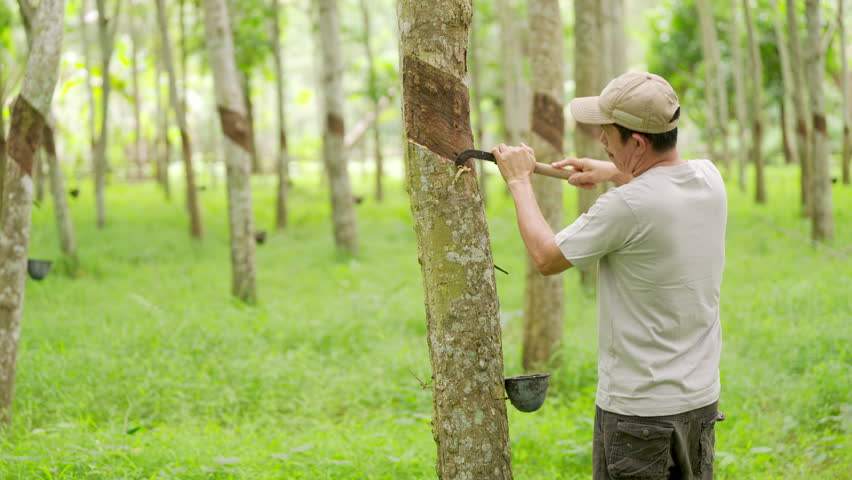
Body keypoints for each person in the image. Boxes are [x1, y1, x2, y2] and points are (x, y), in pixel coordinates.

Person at [491, 72, 727, 480]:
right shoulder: (709, 177)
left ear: (636, 142)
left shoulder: (628, 206)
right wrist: (615, 170)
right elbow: (662, 184)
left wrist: (518, 181)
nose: (601, 140)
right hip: (699, 402)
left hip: (639, 413)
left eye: (608, 134)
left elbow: (547, 258)